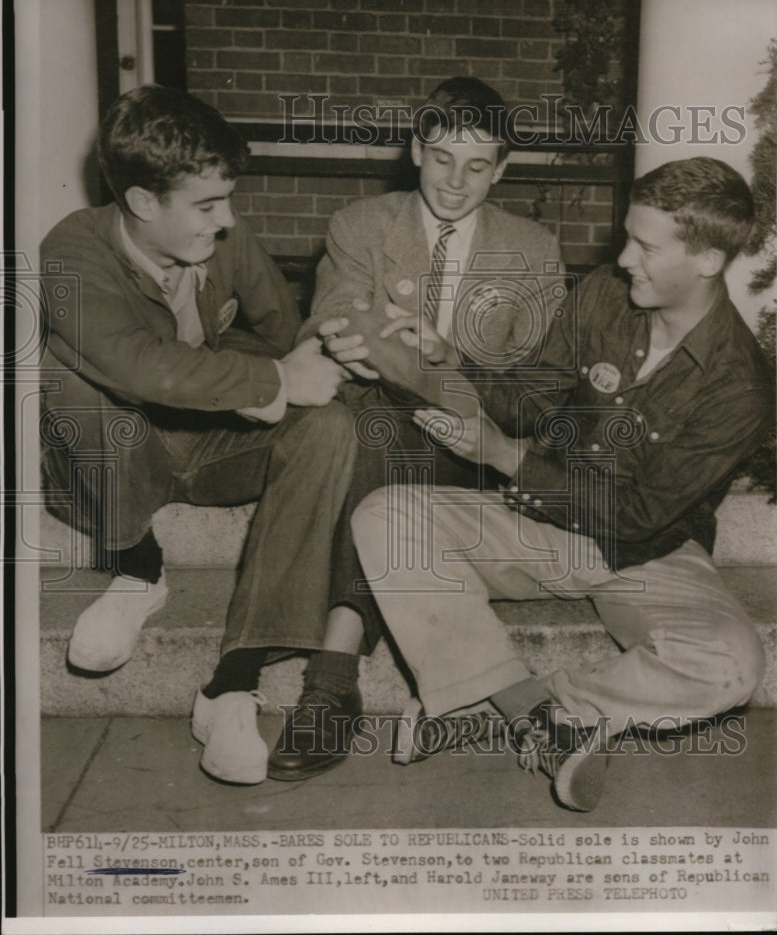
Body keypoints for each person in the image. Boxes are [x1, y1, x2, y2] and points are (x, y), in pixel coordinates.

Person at [351, 156, 773, 812]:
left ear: (708, 259)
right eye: (626, 236)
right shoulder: (605, 294)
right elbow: (529, 398)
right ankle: (528, 714)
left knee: (732, 666)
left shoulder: (738, 386)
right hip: (538, 525)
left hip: (647, 553)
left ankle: (517, 704)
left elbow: (634, 518)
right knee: (384, 516)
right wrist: (446, 358)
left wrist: (502, 457)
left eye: (644, 244)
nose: (623, 256)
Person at [40, 84, 355, 786]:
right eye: (209, 205)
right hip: (118, 455)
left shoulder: (223, 237)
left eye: (228, 199)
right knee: (67, 374)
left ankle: (231, 683)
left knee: (330, 425)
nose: (228, 220)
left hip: (211, 446)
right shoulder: (70, 247)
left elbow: (286, 327)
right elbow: (128, 363)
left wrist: (335, 347)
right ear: (143, 204)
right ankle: (138, 568)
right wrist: (271, 381)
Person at [262, 76, 567, 781]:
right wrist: (366, 343)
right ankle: (333, 677)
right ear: (413, 150)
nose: (455, 183)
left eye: (477, 165)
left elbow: (532, 391)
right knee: (375, 420)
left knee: (381, 426)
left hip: (475, 446)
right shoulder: (361, 225)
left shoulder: (533, 250)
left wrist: (443, 355)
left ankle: (330, 683)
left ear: (503, 168)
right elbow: (332, 319)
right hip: (381, 420)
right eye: (440, 159)